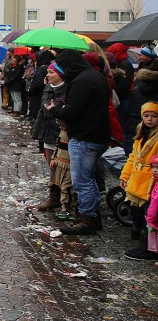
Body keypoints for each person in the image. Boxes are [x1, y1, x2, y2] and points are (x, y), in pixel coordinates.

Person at [45, 49, 111, 235]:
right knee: (88, 178)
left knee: (82, 179)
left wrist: (54, 110)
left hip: (85, 136)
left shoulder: (82, 80)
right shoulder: (96, 76)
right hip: (97, 135)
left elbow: (72, 111)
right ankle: (93, 216)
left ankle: (88, 218)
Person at [119, 103, 158, 261]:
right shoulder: (140, 135)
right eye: (146, 116)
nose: (150, 119)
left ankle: (151, 249)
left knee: (152, 215)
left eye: (154, 116)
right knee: (140, 213)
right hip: (138, 180)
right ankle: (146, 244)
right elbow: (132, 158)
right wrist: (125, 175)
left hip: (151, 181)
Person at [29, 63, 69, 212]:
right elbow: (42, 109)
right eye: (48, 72)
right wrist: (37, 131)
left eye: (51, 72)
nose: (48, 75)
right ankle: (53, 196)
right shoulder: (47, 88)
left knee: (62, 166)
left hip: (59, 132)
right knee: (51, 165)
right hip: (47, 131)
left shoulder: (67, 89)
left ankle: (64, 198)